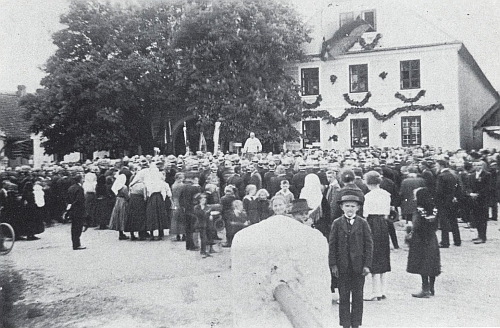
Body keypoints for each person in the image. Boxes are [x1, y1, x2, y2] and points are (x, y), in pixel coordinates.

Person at [329, 189, 373, 328]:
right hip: (342, 267)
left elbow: (369, 245)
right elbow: (332, 245)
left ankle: (356, 323)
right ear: (342, 207)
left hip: (358, 267)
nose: (350, 209)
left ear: (358, 208)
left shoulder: (363, 223)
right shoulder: (337, 223)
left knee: (358, 296)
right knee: (344, 297)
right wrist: (333, 265)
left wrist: (367, 265)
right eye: (347, 206)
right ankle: (345, 324)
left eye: (353, 206)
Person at [362, 171, 391, 301]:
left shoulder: (368, 196)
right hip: (383, 224)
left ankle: (375, 291)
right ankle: (382, 290)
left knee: (373, 255)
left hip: (372, 224)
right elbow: (387, 212)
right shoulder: (386, 194)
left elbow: (365, 214)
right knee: (383, 255)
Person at [407, 187, 441, 298]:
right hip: (432, 238)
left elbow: (416, 224)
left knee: (422, 264)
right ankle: (431, 288)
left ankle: (424, 289)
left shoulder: (419, 209)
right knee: (432, 263)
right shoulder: (434, 208)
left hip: (420, 238)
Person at [469, 159, 492, 244]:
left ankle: (483, 236)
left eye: (479, 165)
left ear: (483, 166)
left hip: (483, 200)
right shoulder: (472, 175)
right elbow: (469, 185)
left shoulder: (487, 175)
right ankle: (479, 235)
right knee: (476, 218)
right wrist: (470, 193)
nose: (477, 167)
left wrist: (478, 194)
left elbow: (488, 187)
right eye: (476, 165)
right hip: (474, 200)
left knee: (482, 219)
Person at [67, 174, 87, 250]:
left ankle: (75, 243)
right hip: (79, 210)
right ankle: (77, 244)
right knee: (78, 228)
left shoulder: (71, 188)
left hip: (73, 210)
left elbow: (68, 199)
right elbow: (80, 200)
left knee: (74, 227)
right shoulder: (79, 188)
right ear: (80, 180)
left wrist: (70, 206)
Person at [109, 174, 130, 240]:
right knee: (123, 216)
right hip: (123, 201)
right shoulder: (124, 187)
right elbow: (127, 196)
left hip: (118, 201)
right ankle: (122, 231)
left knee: (118, 216)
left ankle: (120, 233)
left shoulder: (116, 186)